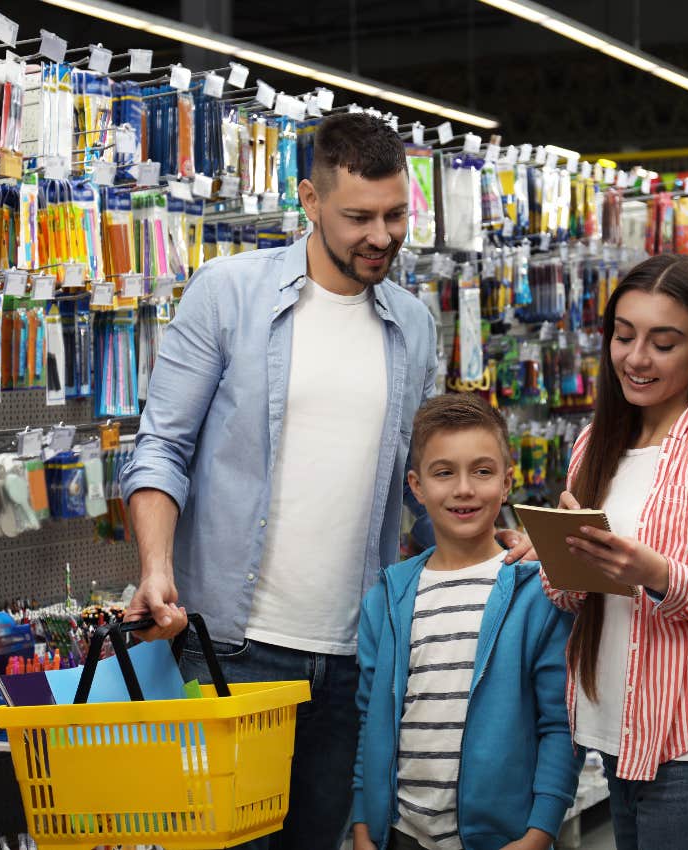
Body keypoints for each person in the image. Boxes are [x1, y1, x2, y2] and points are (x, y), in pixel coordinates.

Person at [120, 113, 530, 849]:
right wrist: (154, 568)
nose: (382, 236)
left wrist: (490, 538)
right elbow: (160, 447)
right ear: (309, 199)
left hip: (356, 653)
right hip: (231, 650)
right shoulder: (228, 293)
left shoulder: (411, 324)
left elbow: (415, 483)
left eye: (396, 214)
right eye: (359, 217)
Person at [538, 254, 688, 850]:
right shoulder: (597, 443)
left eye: (663, 342)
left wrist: (660, 575)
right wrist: (557, 555)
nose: (636, 357)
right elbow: (575, 596)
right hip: (619, 746)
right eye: (624, 336)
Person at [353, 393, 584, 850]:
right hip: (401, 835)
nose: (464, 489)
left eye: (482, 471)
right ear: (417, 487)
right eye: (444, 473)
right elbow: (369, 722)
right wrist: (364, 826)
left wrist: (540, 833)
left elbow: (560, 724)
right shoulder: (387, 598)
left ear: (507, 481)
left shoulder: (536, 591)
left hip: (503, 839)